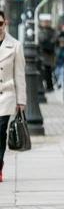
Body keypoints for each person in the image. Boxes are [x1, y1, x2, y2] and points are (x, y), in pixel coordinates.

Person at [0, 10, 26, 182]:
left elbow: (19, 75)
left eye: (0, 24)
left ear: (6, 23)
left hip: (6, 95)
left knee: (0, 131)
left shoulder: (15, 45)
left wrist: (21, 100)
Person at [39, 14, 57, 92]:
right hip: (44, 54)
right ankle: (48, 86)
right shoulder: (40, 30)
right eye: (44, 22)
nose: (45, 23)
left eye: (46, 22)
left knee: (48, 72)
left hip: (48, 55)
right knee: (46, 72)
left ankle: (50, 86)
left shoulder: (52, 31)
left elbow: (54, 41)